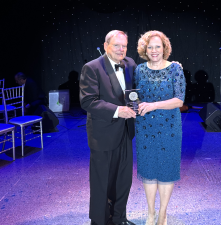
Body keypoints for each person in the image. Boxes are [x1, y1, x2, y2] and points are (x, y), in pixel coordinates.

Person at [79, 30, 137, 225]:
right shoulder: (92, 68)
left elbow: (138, 90)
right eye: (116, 45)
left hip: (126, 131)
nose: (121, 49)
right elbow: (88, 101)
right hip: (103, 133)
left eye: (124, 46)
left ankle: (119, 218)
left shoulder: (130, 64)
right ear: (106, 46)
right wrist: (117, 110)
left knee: (123, 180)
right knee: (101, 181)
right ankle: (100, 220)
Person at [134, 31, 186, 225]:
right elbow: (135, 95)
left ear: (165, 48)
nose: (154, 50)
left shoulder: (175, 69)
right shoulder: (139, 69)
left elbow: (179, 100)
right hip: (145, 127)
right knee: (148, 169)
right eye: (150, 47)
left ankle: (162, 214)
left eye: (158, 46)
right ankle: (150, 213)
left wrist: (154, 105)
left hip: (169, 127)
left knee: (166, 170)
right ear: (144, 49)